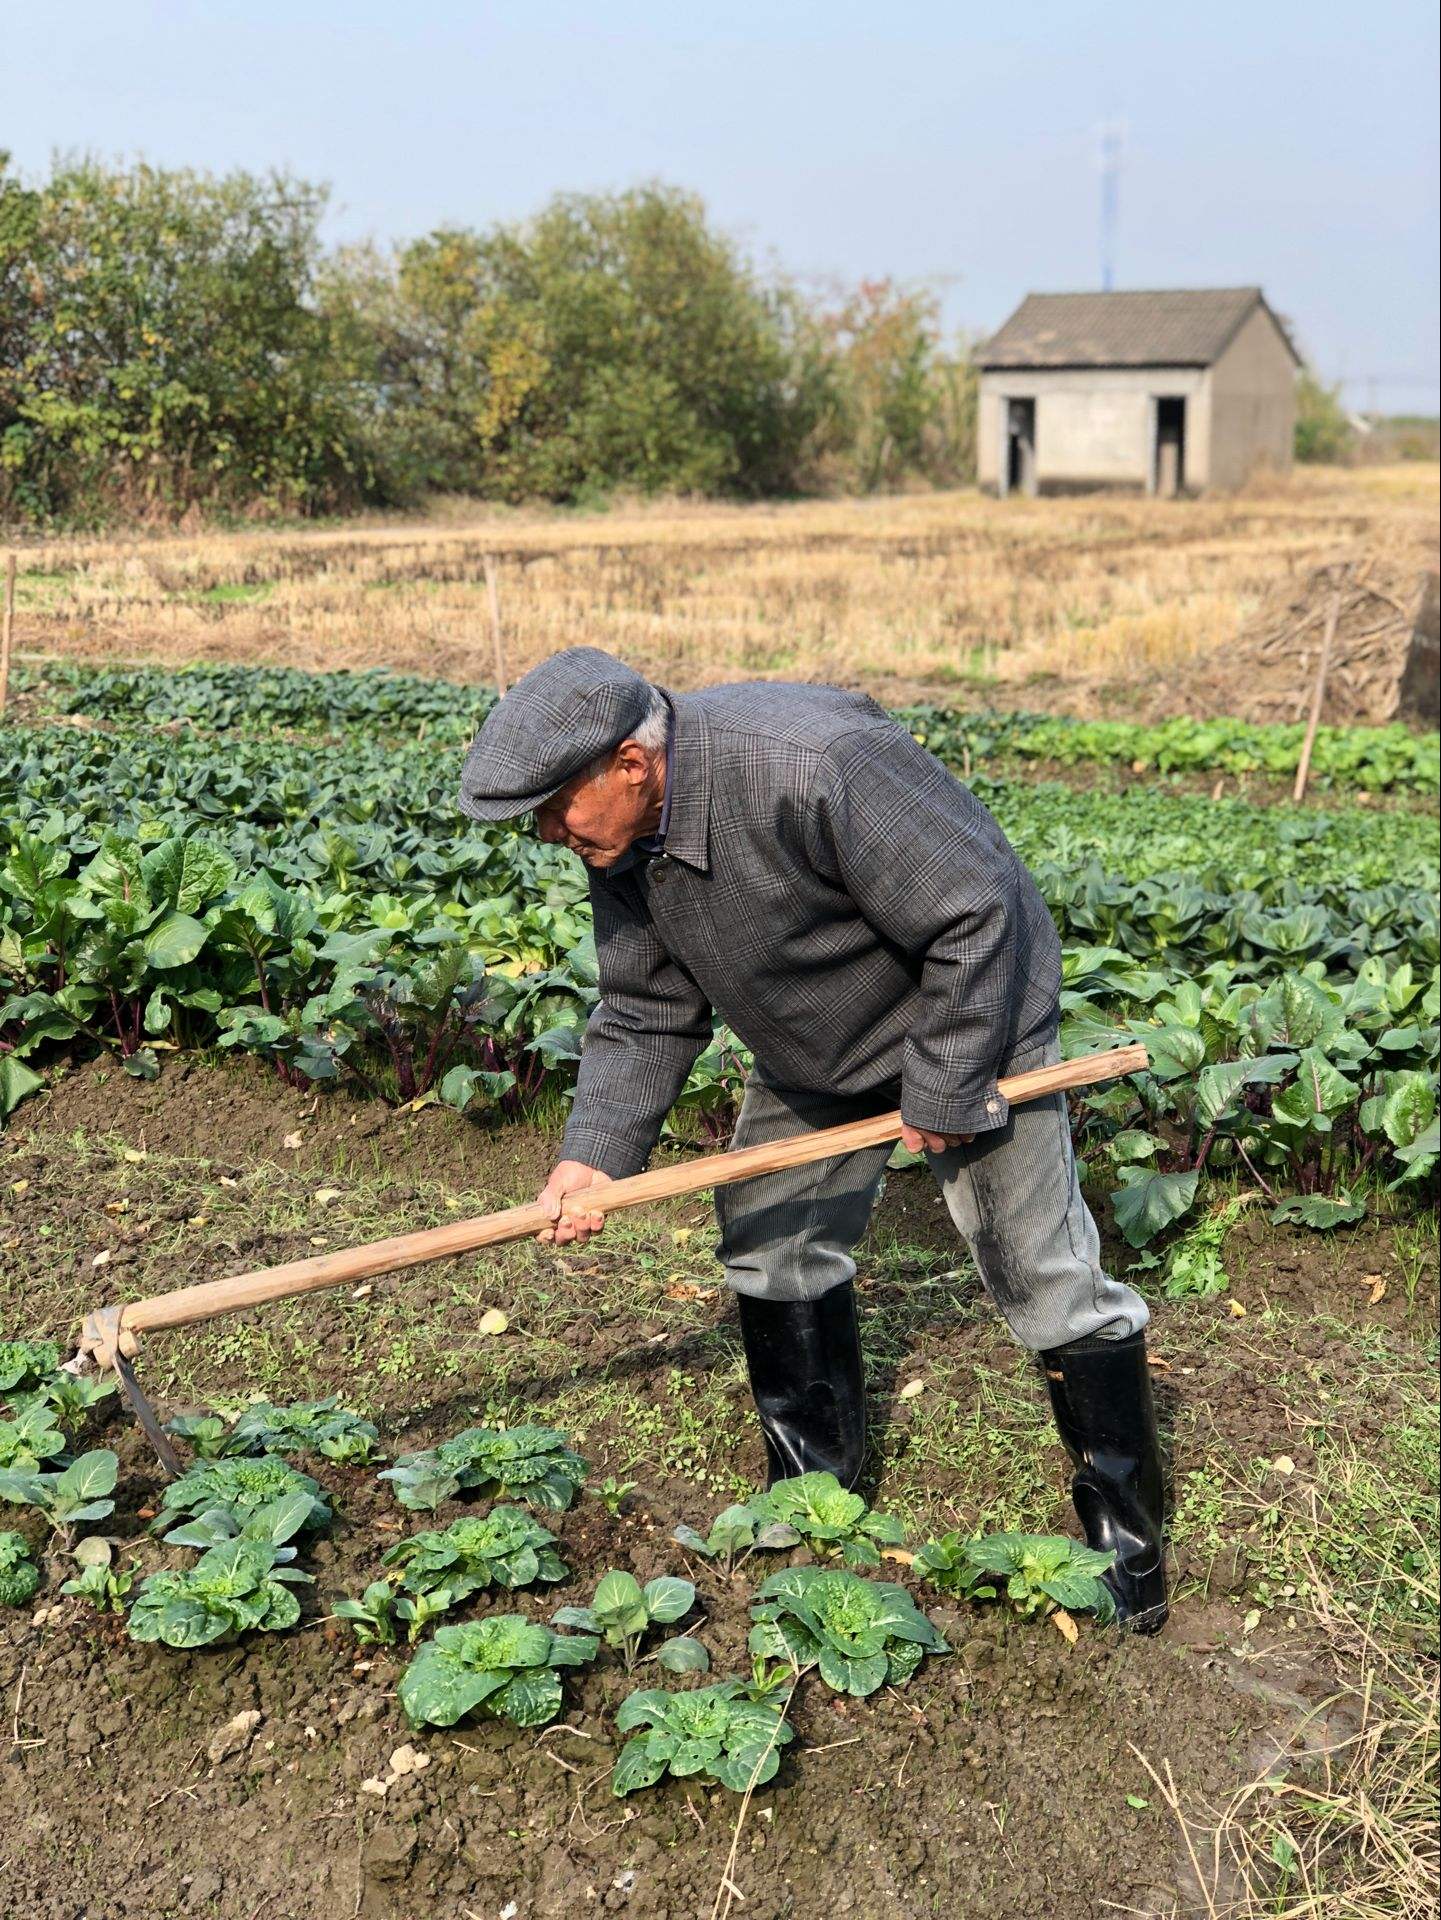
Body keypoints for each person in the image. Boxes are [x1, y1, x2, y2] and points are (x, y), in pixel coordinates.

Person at [458, 647, 1168, 1631]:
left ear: (631, 761)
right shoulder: (621, 844)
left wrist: (946, 1081)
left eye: (552, 805)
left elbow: (976, 910)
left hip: (971, 1013)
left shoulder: (813, 762)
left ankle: (1123, 1541)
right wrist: (595, 1154)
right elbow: (643, 1010)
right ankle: (810, 1494)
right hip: (816, 1043)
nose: (545, 831)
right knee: (769, 1239)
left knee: (1036, 1265)